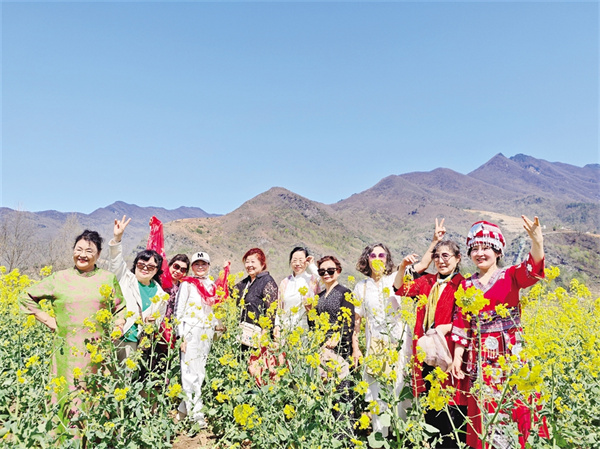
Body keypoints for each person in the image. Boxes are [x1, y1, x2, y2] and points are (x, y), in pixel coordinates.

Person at [450, 217, 548, 449]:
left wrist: (537, 241)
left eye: (486, 248)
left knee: (517, 402)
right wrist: (457, 356)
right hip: (481, 358)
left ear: (498, 251)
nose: (480, 253)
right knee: (486, 408)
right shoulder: (466, 285)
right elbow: (462, 323)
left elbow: (533, 269)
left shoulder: (511, 275)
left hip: (511, 355)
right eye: (475, 249)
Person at [19, 230, 124, 416]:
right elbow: (26, 297)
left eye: (89, 251)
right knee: (69, 396)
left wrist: (118, 326)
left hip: (98, 351)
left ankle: (95, 434)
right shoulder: (59, 278)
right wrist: (48, 320)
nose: (82, 255)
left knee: (97, 397)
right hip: (66, 352)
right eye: (78, 249)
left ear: (99, 254)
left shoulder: (107, 278)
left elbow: (119, 307)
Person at [395, 231, 468, 449]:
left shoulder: (463, 285)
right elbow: (400, 288)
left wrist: (448, 328)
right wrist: (402, 267)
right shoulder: (427, 281)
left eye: (446, 256)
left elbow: (467, 320)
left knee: (452, 408)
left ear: (457, 258)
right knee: (430, 407)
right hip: (426, 354)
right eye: (437, 256)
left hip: (449, 354)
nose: (441, 261)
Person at [352, 243, 411, 439]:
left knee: (400, 388)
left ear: (387, 259)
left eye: (381, 255)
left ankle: (401, 437)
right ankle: (381, 436)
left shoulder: (394, 278)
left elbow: (420, 266)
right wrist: (355, 348)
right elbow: (357, 321)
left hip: (398, 343)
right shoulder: (361, 286)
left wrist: (435, 241)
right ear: (367, 259)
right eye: (373, 255)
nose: (377, 258)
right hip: (375, 344)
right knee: (378, 392)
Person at [174, 251, 230, 429]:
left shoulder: (212, 285)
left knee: (200, 372)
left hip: (206, 333)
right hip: (190, 331)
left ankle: (183, 410)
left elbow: (212, 310)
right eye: (197, 264)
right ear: (192, 267)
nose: (200, 267)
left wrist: (218, 325)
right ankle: (196, 415)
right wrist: (181, 336)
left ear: (208, 266)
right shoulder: (187, 285)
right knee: (189, 372)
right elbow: (178, 312)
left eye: (203, 264)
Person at [109, 216, 168, 363]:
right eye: (141, 265)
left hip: (133, 343)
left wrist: (151, 323)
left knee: (126, 376)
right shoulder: (125, 277)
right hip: (113, 336)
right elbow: (115, 260)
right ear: (135, 265)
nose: (145, 269)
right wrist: (117, 239)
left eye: (151, 267)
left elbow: (158, 320)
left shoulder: (161, 295)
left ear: (157, 270)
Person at [312, 256, 355, 431]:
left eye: (330, 270)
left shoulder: (345, 292)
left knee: (341, 393)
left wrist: (338, 336)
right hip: (322, 348)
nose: (326, 274)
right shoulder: (319, 296)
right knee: (324, 393)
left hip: (339, 348)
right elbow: (314, 324)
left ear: (338, 271)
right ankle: (327, 434)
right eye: (322, 271)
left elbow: (349, 321)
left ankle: (344, 436)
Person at [233, 248, 279, 382]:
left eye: (253, 261)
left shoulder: (267, 282)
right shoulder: (245, 282)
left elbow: (271, 311)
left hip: (258, 336)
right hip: (243, 335)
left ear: (262, 263)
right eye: (247, 262)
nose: (249, 265)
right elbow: (228, 292)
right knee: (243, 369)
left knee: (256, 371)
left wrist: (265, 334)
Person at [274, 246, 320, 339]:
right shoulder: (285, 282)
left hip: (304, 331)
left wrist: (312, 265)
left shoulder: (312, 279)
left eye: (301, 260)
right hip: (285, 330)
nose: (297, 264)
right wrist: (277, 325)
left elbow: (324, 281)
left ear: (306, 261)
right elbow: (279, 307)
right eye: (294, 260)